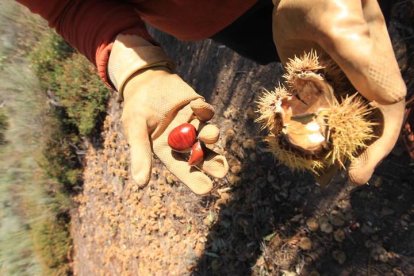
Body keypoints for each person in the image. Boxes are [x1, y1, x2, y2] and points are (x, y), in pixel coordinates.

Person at [17, 0, 407, 194]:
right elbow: (69, 5)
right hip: (229, 21)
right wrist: (135, 69)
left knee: (372, 22)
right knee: (305, 54)